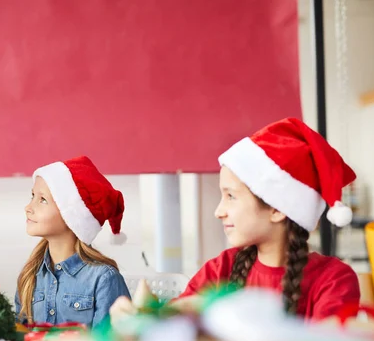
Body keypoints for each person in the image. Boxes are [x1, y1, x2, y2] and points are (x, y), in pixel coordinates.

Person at [111, 118, 360, 323]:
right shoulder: (220, 270)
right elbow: (170, 336)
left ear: (277, 209)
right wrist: (142, 318)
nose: (219, 211)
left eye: (231, 196)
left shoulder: (334, 281)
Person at [15, 156, 131, 328]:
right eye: (32, 196)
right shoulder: (30, 275)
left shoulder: (104, 280)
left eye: (42, 200)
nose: (28, 207)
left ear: (72, 216)